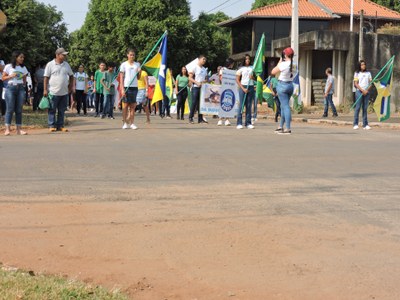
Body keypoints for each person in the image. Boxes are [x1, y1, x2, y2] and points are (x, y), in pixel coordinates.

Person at [44, 47, 74, 132]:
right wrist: (45, 90)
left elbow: (71, 76)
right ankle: (51, 125)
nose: (64, 56)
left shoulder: (66, 65)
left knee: (62, 110)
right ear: (57, 55)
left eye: (65, 55)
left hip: (64, 92)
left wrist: (70, 86)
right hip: (53, 92)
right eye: (63, 55)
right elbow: (46, 77)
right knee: (52, 109)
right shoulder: (50, 64)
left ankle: (60, 125)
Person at [2, 50, 29, 135]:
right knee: (10, 109)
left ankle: (18, 129)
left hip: (20, 88)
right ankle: (7, 129)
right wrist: (11, 76)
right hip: (10, 88)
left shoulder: (23, 68)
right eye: (21, 57)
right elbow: (3, 78)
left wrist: (22, 80)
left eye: (23, 57)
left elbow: (25, 80)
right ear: (15, 57)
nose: (22, 58)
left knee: (19, 109)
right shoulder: (8, 66)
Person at [271, 47, 295, 135]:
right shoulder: (294, 64)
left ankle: (288, 128)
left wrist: (280, 61)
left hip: (282, 85)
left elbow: (273, 71)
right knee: (283, 107)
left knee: (285, 107)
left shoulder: (284, 64)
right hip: (290, 85)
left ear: (285, 55)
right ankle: (280, 126)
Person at [119, 48, 141, 130]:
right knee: (125, 106)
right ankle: (124, 123)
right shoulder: (124, 65)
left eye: (133, 55)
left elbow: (138, 77)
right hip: (126, 86)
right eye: (130, 55)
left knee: (133, 106)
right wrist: (122, 89)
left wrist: (139, 72)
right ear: (127, 55)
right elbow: (121, 78)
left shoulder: (137, 64)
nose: (132, 56)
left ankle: (132, 123)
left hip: (134, 87)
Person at [236, 54, 255, 129]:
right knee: (241, 105)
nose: (248, 60)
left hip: (250, 87)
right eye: (246, 59)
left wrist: (252, 77)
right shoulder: (241, 68)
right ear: (244, 60)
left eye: (249, 59)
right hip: (243, 87)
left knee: (249, 105)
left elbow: (255, 78)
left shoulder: (252, 68)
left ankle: (248, 123)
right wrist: (243, 88)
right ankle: (239, 123)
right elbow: (237, 80)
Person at [188, 54, 208, 124]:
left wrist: (204, 81)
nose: (204, 61)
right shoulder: (194, 67)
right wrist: (196, 82)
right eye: (203, 59)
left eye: (205, 59)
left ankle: (200, 119)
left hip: (202, 88)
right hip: (195, 88)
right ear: (199, 59)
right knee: (194, 103)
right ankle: (191, 117)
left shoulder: (204, 69)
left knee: (201, 104)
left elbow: (206, 79)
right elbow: (190, 77)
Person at [353, 60, 372, 130]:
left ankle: (365, 124)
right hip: (359, 92)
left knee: (365, 108)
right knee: (358, 108)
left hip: (366, 92)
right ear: (359, 66)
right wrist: (362, 90)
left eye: (364, 64)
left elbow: (371, 83)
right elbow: (356, 83)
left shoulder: (368, 73)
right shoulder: (356, 73)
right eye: (362, 65)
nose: (363, 66)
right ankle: (355, 123)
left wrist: (366, 90)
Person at [217, 58, 234, 126]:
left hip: (230, 88)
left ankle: (227, 119)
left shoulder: (231, 71)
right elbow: (221, 78)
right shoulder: (223, 69)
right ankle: (220, 119)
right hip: (223, 88)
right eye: (232, 63)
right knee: (222, 103)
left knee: (229, 103)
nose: (233, 64)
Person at [0, 51, 5, 120]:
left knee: (1, 98)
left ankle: (3, 114)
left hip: (0, 81)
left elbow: (2, 70)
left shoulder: (1, 62)